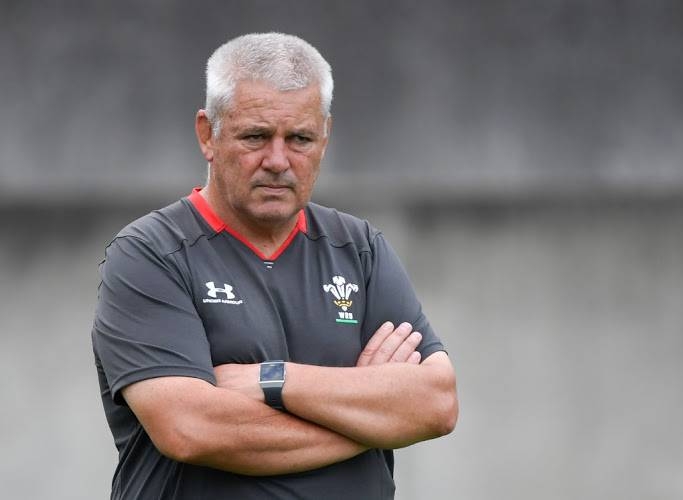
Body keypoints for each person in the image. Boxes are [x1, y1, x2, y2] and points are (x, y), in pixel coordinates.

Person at [92, 32, 458, 499]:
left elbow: (437, 403)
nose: (278, 160)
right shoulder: (150, 254)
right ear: (208, 134)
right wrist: (371, 419)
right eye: (256, 136)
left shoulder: (360, 250)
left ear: (324, 138)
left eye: (300, 138)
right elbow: (191, 428)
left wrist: (271, 380)